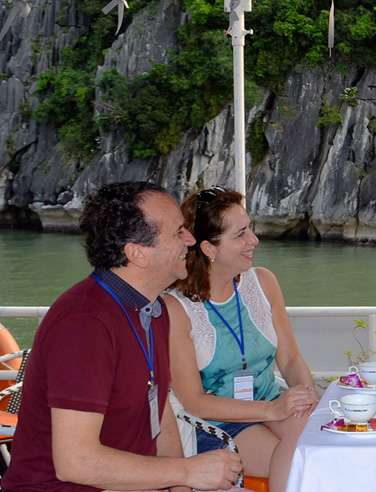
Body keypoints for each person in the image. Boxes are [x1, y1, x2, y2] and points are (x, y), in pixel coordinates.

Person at [2, 182, 241, 491]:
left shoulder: (153, 310)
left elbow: (162, 415)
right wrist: (185, 472)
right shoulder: (84, 324)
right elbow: (76, 461)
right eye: (178, 232)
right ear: (137, 253)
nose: (190, 239)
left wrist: (180, 485)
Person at [165, 187, 319, 492]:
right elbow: (194, 400)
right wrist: (272, 411)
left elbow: (290, 359)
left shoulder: (263, 282)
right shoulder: (176, 308)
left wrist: (306, 394)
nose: (254, 240)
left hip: (272, 401)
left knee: (316, 435)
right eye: (241, 234)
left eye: (250, 228)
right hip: (217, 421)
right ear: (209, 249)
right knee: (300, 457)